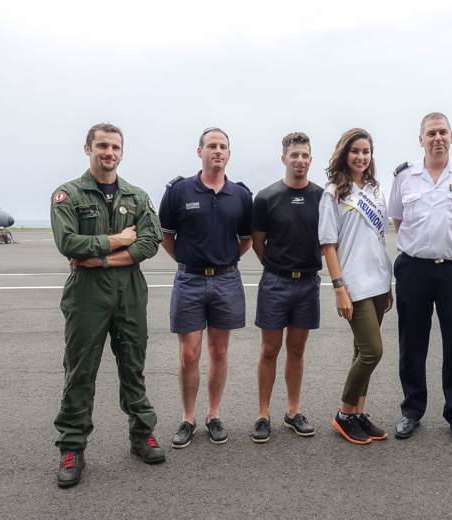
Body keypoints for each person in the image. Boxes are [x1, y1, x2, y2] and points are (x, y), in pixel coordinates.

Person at [51, 123, 165, 488]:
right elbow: (69, 243)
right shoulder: (68, 195)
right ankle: (72, 446)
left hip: (129, 292)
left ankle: (142, 434)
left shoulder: (137, 195)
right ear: (88, 148)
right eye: (102, 145)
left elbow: (150, 242)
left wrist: (101, 257)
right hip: (86, 296)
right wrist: (117, 238)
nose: (109, 152)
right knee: (80, 370)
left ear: (121, 151)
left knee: (133, 366)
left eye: (115, 146)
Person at [388, 112, 452, 444]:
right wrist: (421, 249)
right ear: (421, 139)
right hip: (413, 268)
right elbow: (398, 221)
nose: (437, 138)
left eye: (443, 132)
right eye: (431, 133)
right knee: (412, 343)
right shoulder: (405, 176)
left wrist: (451, 247)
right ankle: (412, 411)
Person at [158, 127, 253, 447]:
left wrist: (221, 263)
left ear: (228, 154)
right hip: (190, 280)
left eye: (223, 146)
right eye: (211, 145)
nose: (217, 151)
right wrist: (190, 261)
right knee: (189, 354)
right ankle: (188, 418)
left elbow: (246, 241)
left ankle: (213, 415)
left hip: (226, 279)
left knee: (219, 351)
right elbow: (167, 238)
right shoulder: (178, 191)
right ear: (200, 151)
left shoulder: (241, 195)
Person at [319, 128, 393, 444]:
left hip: (378, 281)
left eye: (366, 151)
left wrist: (388, 284)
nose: (361, 157)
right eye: (355, 151)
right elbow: (328, 244)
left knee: (359, 351)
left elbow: (379, 240)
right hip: (354, 284)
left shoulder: (376, 191)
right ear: (344, 154)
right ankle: (344, 414)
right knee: (372, 352)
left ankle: (358, 414)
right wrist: (339, 288)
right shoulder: (333, 192)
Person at [250, 132, 323, 443]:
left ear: (310, 158)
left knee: (297, 349)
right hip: (275, 282)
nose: (300, 160)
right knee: (269, 350)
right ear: (284, 158)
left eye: (305, 155)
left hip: (308, 284)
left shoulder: (323, 196)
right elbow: (258, 243)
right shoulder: (266, 197)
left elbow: (326, 241)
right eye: (294, 155)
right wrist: (280, 267)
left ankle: (293, 412)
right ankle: (262, 414)